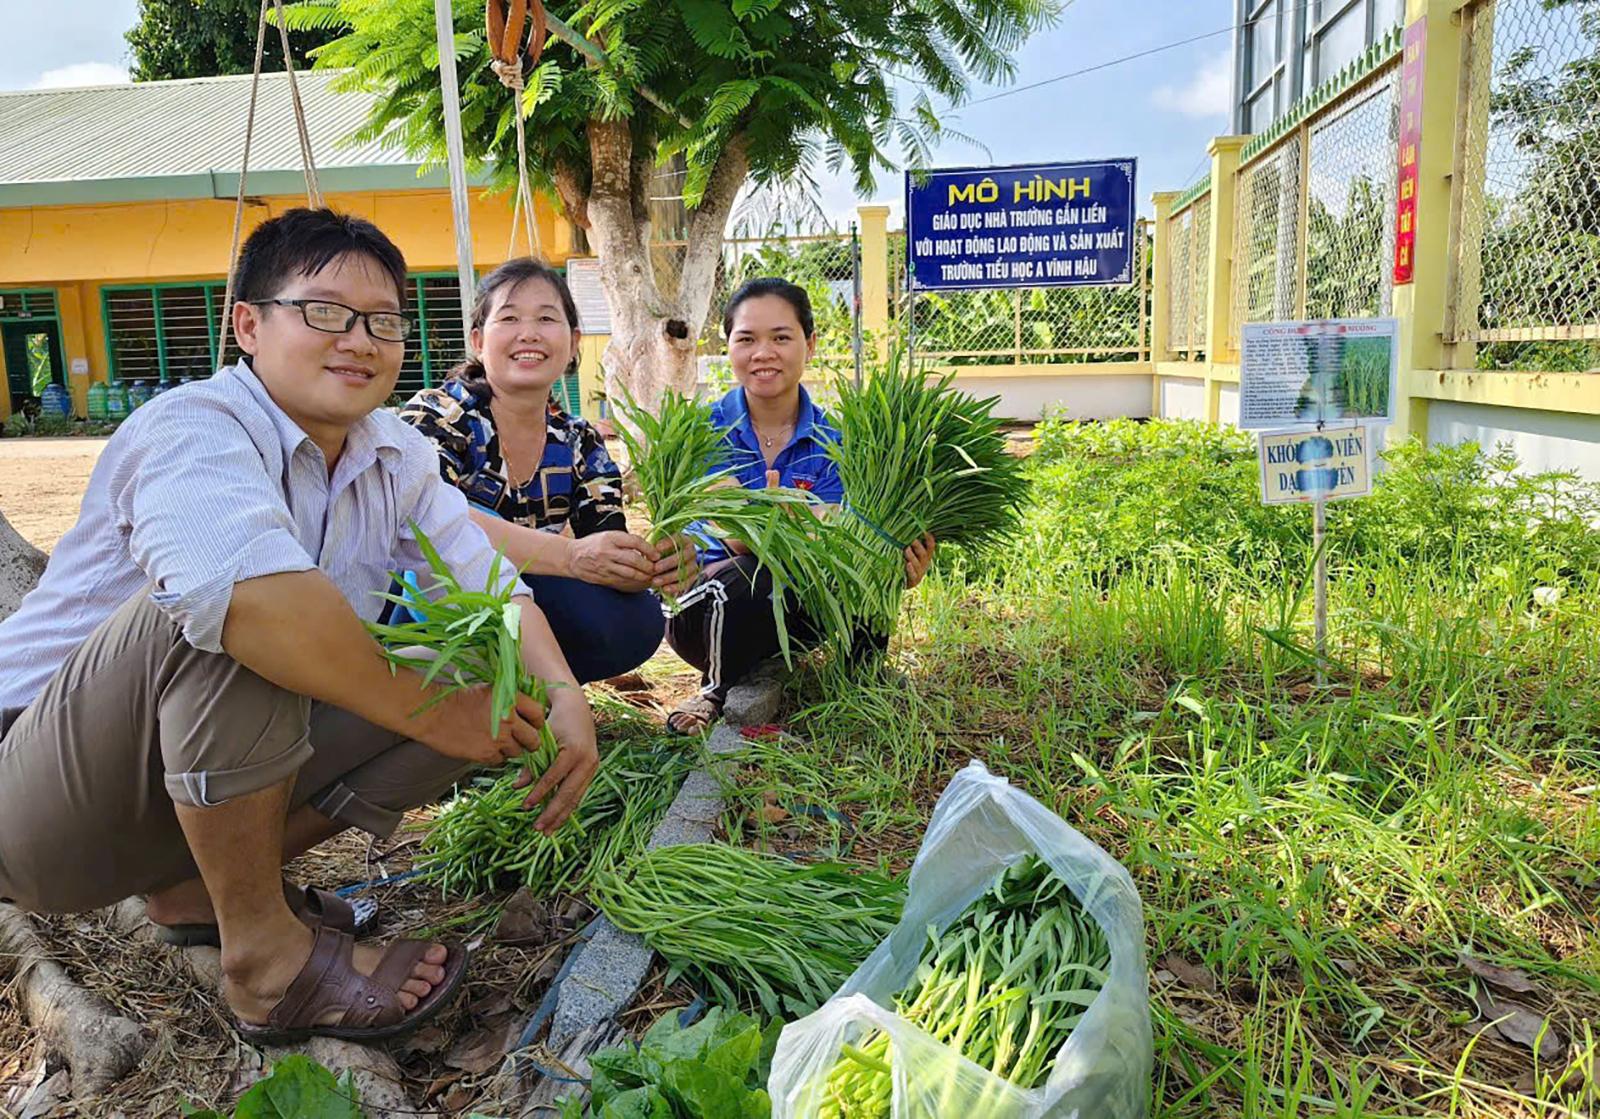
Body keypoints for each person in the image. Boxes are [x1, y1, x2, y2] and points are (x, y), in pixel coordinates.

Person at [0, 209, 598, 1045]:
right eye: (323, 311)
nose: (358, 339)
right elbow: (246, 603)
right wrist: (425, 711)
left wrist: (566, 696)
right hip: (36, 792)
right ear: (248, 324)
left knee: (478, 669)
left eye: (382, 321)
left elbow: (486, 579)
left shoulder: (395, 452)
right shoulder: (194, 425)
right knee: (243, 607)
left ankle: (196, 891)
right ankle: (265, 961)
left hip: (160, 801)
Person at [398, 259, 694, 683]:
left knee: (638, 618)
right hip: (432, 606)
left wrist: (652, 564)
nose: (529, 333)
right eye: (510, 318)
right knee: (459, 539)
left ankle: (531, 689)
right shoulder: (439, 415)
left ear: (573, 342)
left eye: (546, 318)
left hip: (530, 602)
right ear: (478, 341)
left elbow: (603, 546)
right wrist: (571, 556)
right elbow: (427, 526)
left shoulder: (579, 443)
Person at [664, 278, 936, 734]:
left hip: (802, 606)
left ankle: (861, 675)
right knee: (748, 574)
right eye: (746, 339)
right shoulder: (699, 432)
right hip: (708, 610)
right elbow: (732, 530)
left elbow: (853, 537)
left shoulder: (842, 441)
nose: (763, 352)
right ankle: (714, 689)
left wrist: (897, 558)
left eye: (781, 337)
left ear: (809, 344)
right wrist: (795, 528)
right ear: (728, 346)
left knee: (873, 549)